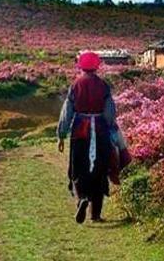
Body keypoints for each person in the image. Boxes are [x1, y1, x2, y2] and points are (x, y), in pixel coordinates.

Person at [57, 51, 130, 224]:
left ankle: (82, 197)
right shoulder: (103, 85)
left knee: (78, 168)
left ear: (80, 66)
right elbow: (110, 113)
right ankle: (95, 215)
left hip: (80, 132)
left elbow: (66, 113)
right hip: (100, 131)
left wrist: (61, 135)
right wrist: (111, 130)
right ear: (97, 66)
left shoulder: (76, 85)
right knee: (99, 171)